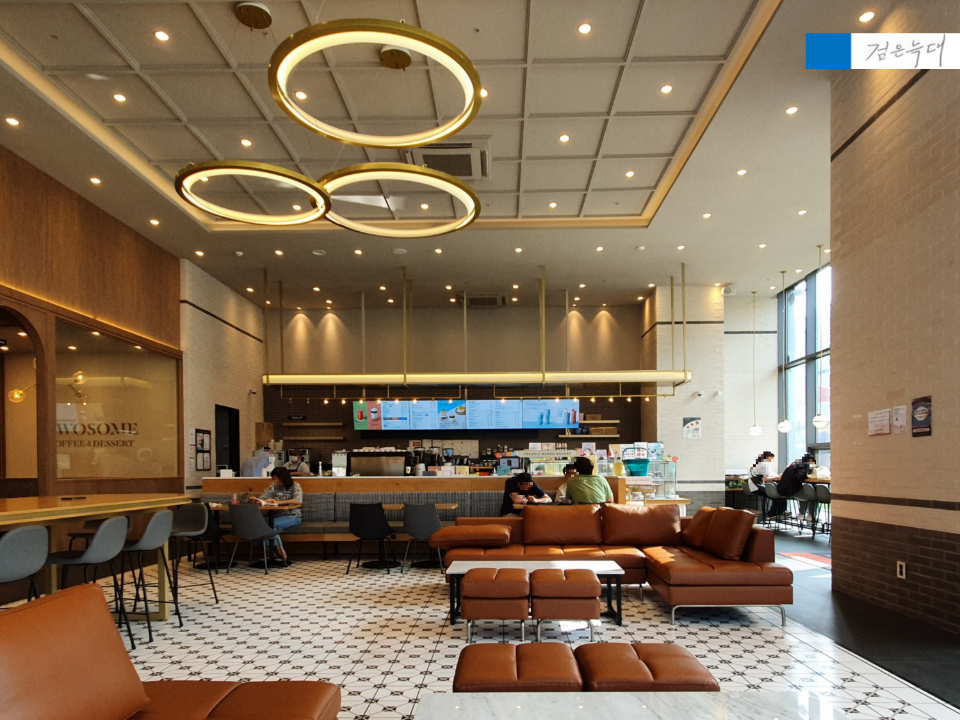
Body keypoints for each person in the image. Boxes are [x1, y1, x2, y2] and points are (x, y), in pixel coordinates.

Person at [249, 467, 303, 561]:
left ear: (283, 478)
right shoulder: (273, 488)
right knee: (263, 524)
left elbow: (297, 501)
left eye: (276, 478)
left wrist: (277, 502)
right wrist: (256, 500)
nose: (274, 481)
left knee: (270, 524)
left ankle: (279, 553)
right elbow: (262, 499)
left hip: (292, 516)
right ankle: (272, 554)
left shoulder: (295, 485)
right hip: (275, 516)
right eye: (273, 478)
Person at [770, 452, 816, 520]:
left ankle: (801, 514)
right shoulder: (805, 465)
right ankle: (810, 515)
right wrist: (808, 473)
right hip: (791, 491)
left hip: (781, 491)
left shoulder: (792, 465)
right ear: (810, 461)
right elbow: (800, 477)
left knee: (805, 492)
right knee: (811, 495)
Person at [746, 451, 779, 521]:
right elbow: (765, 479)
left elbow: (768, 475)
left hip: (753, 487)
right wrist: (776, 477)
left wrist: (774, 477)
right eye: (772, 458)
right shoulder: (765, 464)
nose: (773, 460)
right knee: (776, 496)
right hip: (757, 487)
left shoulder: (759, 464)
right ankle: (773, 515)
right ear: (769, 457)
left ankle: (774, 514)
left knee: (776, 496)